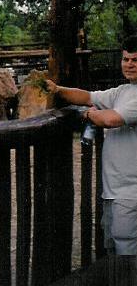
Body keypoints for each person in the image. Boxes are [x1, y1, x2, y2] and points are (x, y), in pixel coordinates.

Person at [47, 35, 137, 283]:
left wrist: (87, 115)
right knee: (116, 252)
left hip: (130, 194)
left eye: (135, 60)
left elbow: (111, 120)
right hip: (115, 192)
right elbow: (87, 96)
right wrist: (57, 90)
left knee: (128, 258)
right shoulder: (123, 91)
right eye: (126, 59)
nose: (129, 64)